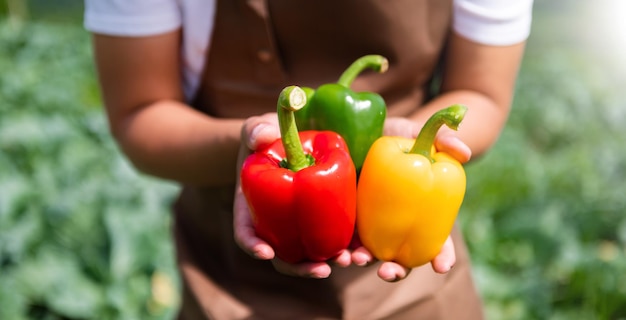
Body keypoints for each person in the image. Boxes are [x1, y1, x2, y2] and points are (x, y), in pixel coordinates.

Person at [84, 0, 533, 318]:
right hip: (232, 277)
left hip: (416, 278)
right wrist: (249, 146)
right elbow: (139, 112)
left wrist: (411, 146)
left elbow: (483, 91)